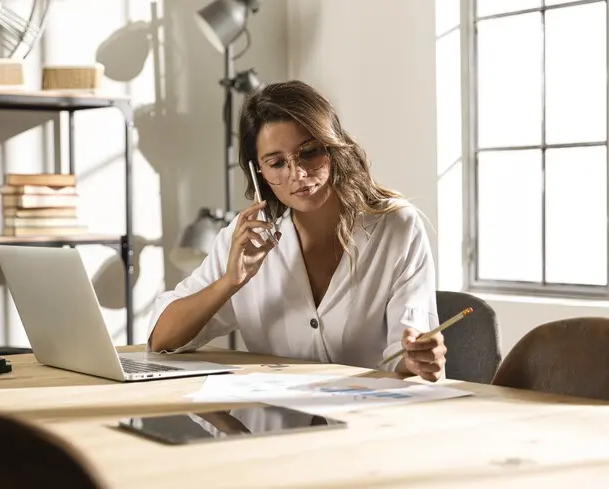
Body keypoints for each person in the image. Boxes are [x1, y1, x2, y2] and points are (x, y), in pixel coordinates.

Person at [147, 80, 446, 382]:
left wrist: (417, 357)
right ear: (259, 172)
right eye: (277, 163)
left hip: (368, 417)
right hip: (274, 421)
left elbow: (407, 353)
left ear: (332, 146)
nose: (298, 174)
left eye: (310, 152)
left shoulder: (396, 227)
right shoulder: (246, 239)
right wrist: (230, 282)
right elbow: (161, 339)